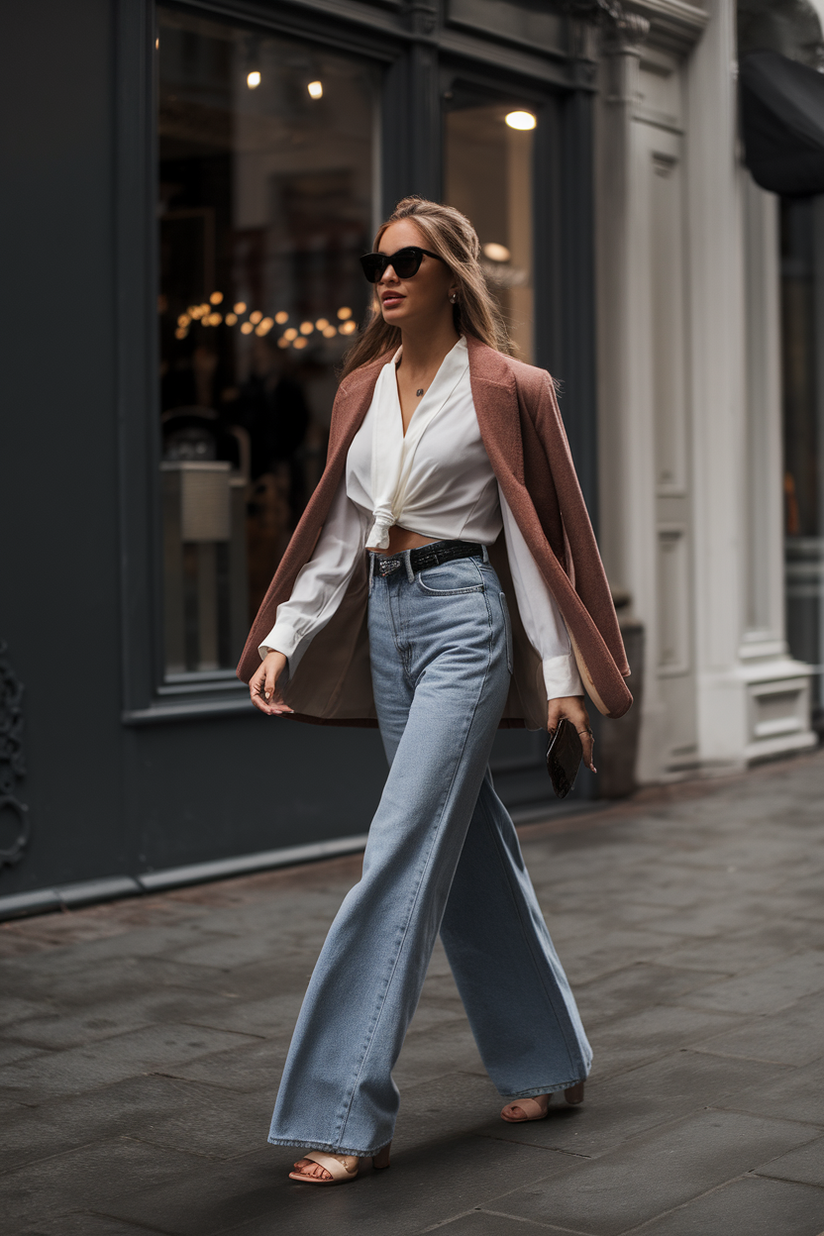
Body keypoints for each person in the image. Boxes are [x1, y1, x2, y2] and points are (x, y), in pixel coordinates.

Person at [238, 197, 631, 1186]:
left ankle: (342, 1109)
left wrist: (559, 678)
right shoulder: (360, 388)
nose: (386, 275)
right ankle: (552, 1059)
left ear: (451, 275)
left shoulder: (507, 386)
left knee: (400, 852)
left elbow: (534, 547)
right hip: (387, 622)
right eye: (378, 260)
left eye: (408, 262)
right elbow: (337, 531)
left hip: (465, 620)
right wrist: (285, 632)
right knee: (467, 845)